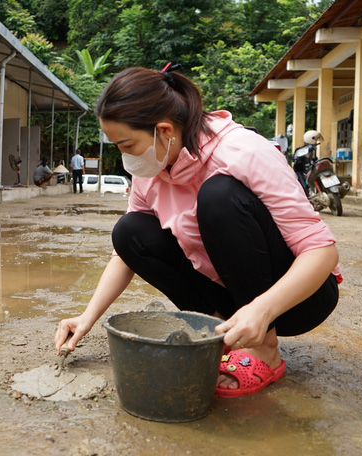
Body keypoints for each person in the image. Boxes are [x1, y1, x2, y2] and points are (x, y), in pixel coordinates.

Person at [53, 65, 341, 398]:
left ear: (164, 130)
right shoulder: (152, 171)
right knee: (129, 230)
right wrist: (87, 317)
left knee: (218, 196)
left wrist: (262, 309)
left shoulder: (242, 151)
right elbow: (126, 253)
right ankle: (220, 333)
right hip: (233, 299)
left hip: (298, 299)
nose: (125, 157)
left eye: (127, 145)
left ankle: (264, 348)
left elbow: (322, 250)